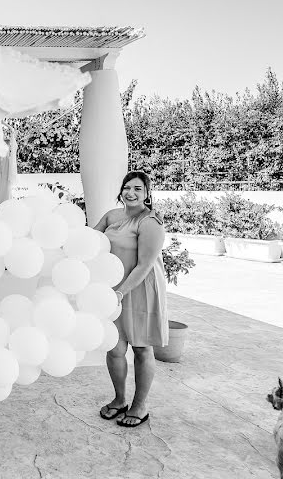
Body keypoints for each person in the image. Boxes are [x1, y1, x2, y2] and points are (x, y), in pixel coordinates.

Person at [94, 171, 168, 428]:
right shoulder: (111, 216)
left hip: (140, 289)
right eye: (127, 187)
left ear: (147, 193)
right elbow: (90, 244)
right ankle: (119, 400)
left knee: (141, 348)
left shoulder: (150, 222)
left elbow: (145, 265)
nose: (131, 193)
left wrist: (121, 292)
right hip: (112, 288)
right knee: (114, 348)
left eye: (138, 188)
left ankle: (140, 406)